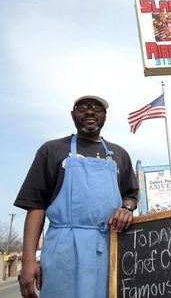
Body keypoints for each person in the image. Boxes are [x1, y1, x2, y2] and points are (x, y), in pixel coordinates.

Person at [14, 95, 139, 298]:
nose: (89, 111)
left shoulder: (119, 154)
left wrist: (127, 208)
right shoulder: (51, 150)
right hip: (63, 251)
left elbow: (131, 195)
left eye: (96, 108)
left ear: (105, 116)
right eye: (82, 107)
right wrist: (28, 261)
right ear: (73, 114)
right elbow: (35, 206)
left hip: (110, 249)